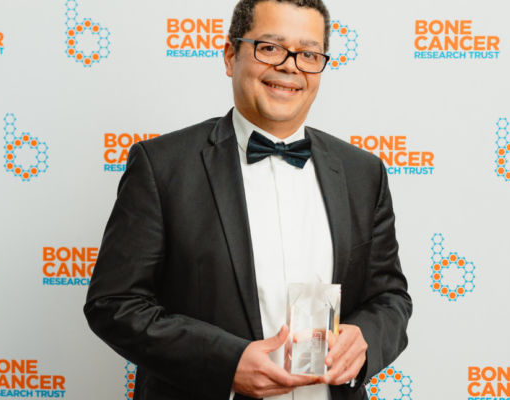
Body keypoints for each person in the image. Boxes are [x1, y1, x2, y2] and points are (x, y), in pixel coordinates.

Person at [83, 0, 411, 399]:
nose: (290, 66)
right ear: (230, 55)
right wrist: (225, 362)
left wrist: (366, 338)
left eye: (308, 54)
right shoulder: (162, 167)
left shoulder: (363, 173)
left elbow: (389, 297)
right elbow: (113, 303)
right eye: (270, 47)